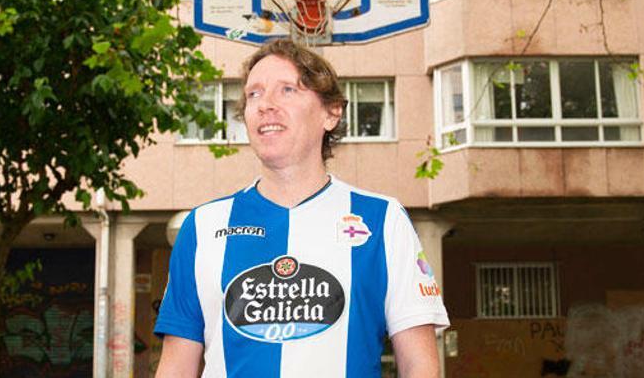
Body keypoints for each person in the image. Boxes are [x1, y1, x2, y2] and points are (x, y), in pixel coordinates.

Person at [154, 39, 449, 378]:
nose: (265, 104)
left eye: (288, 90)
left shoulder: (384, 220)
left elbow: (420, 365)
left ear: (331, 112)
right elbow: (176, 366)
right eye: (254, 94)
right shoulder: (203, 226)